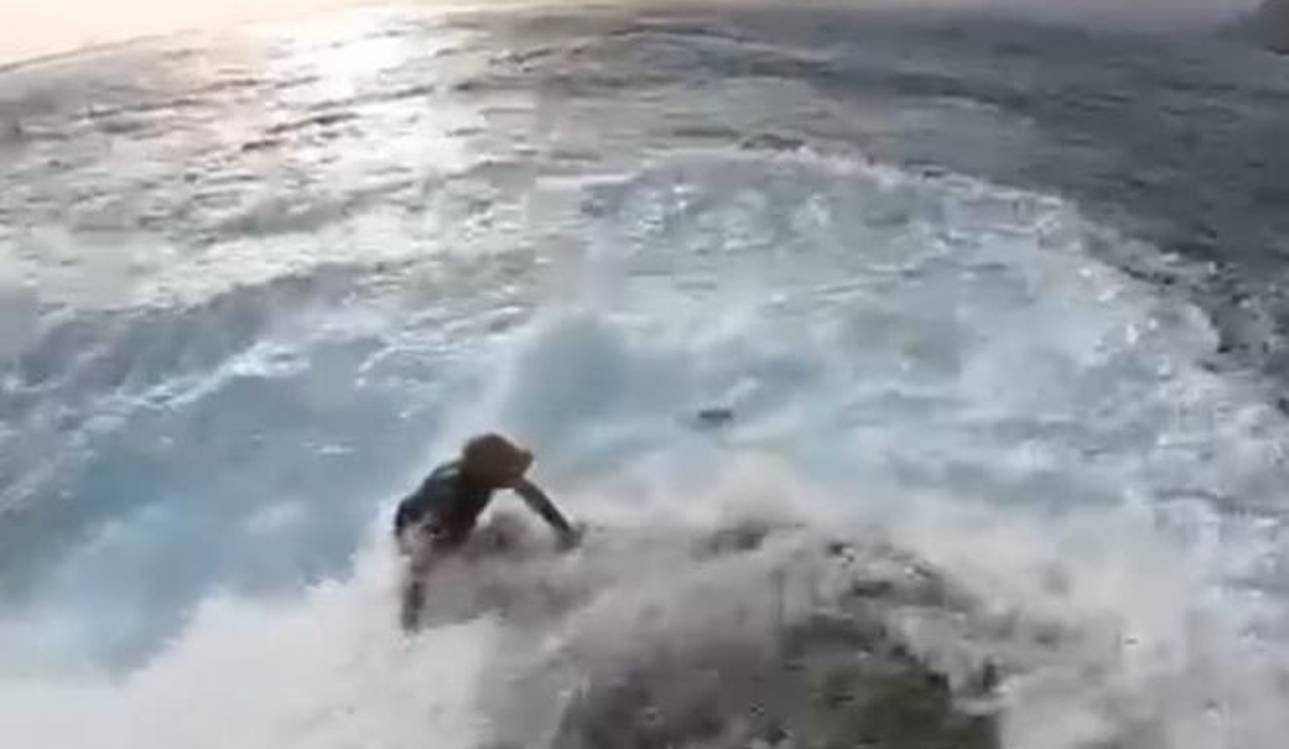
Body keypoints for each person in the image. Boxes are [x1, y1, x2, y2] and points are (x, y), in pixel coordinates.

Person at [392, 433, 580, 630]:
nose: (515, 474)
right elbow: (420, 556)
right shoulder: (454, 499)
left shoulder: (481, 473)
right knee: (495, 553)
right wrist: (411, 616)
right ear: (488, 474)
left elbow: (531, 494)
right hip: (423, 531)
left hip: (431, 524)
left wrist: (564, 531)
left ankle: (538, 588)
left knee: (508, 527)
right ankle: (510, 610)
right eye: (508, 469)